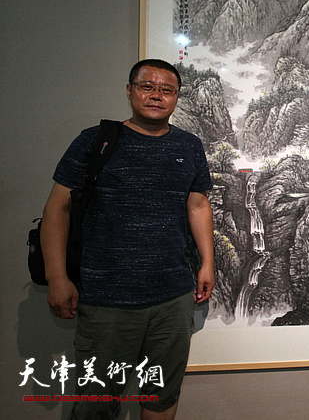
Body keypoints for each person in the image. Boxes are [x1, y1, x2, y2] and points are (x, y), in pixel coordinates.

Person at [40, 59, 215, 420]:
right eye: (147, 86)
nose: (156, 95)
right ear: (129, 91)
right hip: (106, 300)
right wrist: (57, 278)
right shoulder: (95, 141)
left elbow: (198, 205)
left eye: (166, 90)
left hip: (173, 298)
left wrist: (207, 263)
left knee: (161, 395)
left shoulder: (189, 146)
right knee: (97, 404)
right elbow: (57, 209)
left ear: (176, 97)